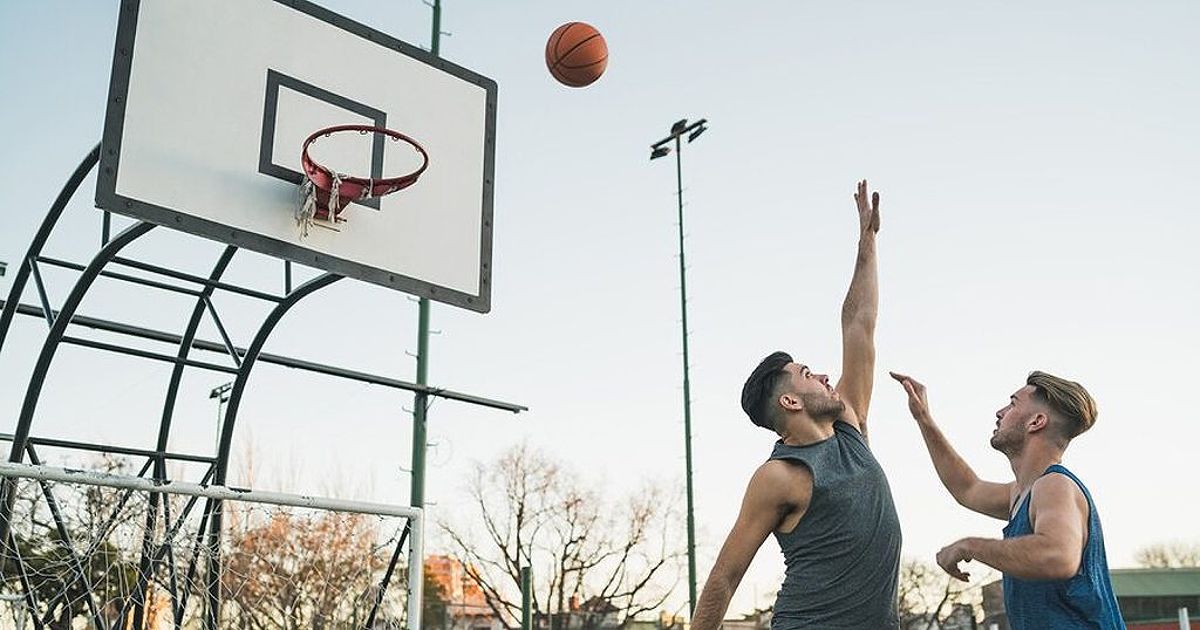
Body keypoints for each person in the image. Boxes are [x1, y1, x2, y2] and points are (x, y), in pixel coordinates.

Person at [691, 180, 901, 630]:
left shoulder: (851, 425)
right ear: (789, 400)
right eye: (808, 374)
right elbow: (725, 577)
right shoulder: (779, 477)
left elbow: (859, 325)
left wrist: (867, 243)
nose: (825, 376)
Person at [890, 371, 1125, 629]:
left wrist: (969, 546)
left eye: (1013, 404)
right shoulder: (1022, 494)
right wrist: (923, 418)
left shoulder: (1054, 484)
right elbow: (967, 488)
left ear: (1036, 422)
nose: (1000, 412)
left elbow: (1058, 556)